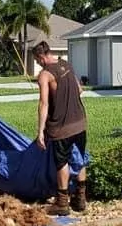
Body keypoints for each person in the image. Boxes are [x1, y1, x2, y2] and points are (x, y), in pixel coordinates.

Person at [32, 41, 87, 215]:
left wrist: (41, 131)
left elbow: (44, 104)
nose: (37, 63)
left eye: (36, 60)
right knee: (80, 158)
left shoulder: (45, 74)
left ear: (41, 57)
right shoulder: (66, 64)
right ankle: (80, 199)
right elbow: (80, 89)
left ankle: (62, 203)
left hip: (61, 127)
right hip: (80, 122)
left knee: (62, 162)